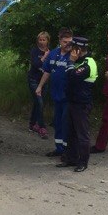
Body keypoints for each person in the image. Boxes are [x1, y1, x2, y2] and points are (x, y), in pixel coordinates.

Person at [59, 36, 97, 172]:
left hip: (82, 103)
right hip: (72, 101)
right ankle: (71, 158)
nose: (71, 50)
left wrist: (70, 62)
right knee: (71, 133)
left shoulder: (88, 64)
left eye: (73, 48)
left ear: (79, 49)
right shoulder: (78, 61)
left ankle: (83, 162)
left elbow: (72, 77)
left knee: (82, 134)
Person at [35, 28, 73, 157]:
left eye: (70, 41)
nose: (68, 44)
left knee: (66, 122)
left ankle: (68, 150)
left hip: (68, 96)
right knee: (57, 122)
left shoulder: (73, 56)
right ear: (60, 41)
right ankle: (59, 148)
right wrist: (40, 86)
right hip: (56, 95)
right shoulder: (53, 54)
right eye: (65, 41)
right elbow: (47, 71)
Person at [27, 31, 50, 138]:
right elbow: (36, 64)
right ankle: (42, 127)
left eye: (43, 40)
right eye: (40, 40)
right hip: (34, 80)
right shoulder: (34, 51)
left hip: (44, 81)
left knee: (38, 103)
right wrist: (44, 56)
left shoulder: (51, 51)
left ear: (47, 41)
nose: (41, 42)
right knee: (40, 102)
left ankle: (32, 123)